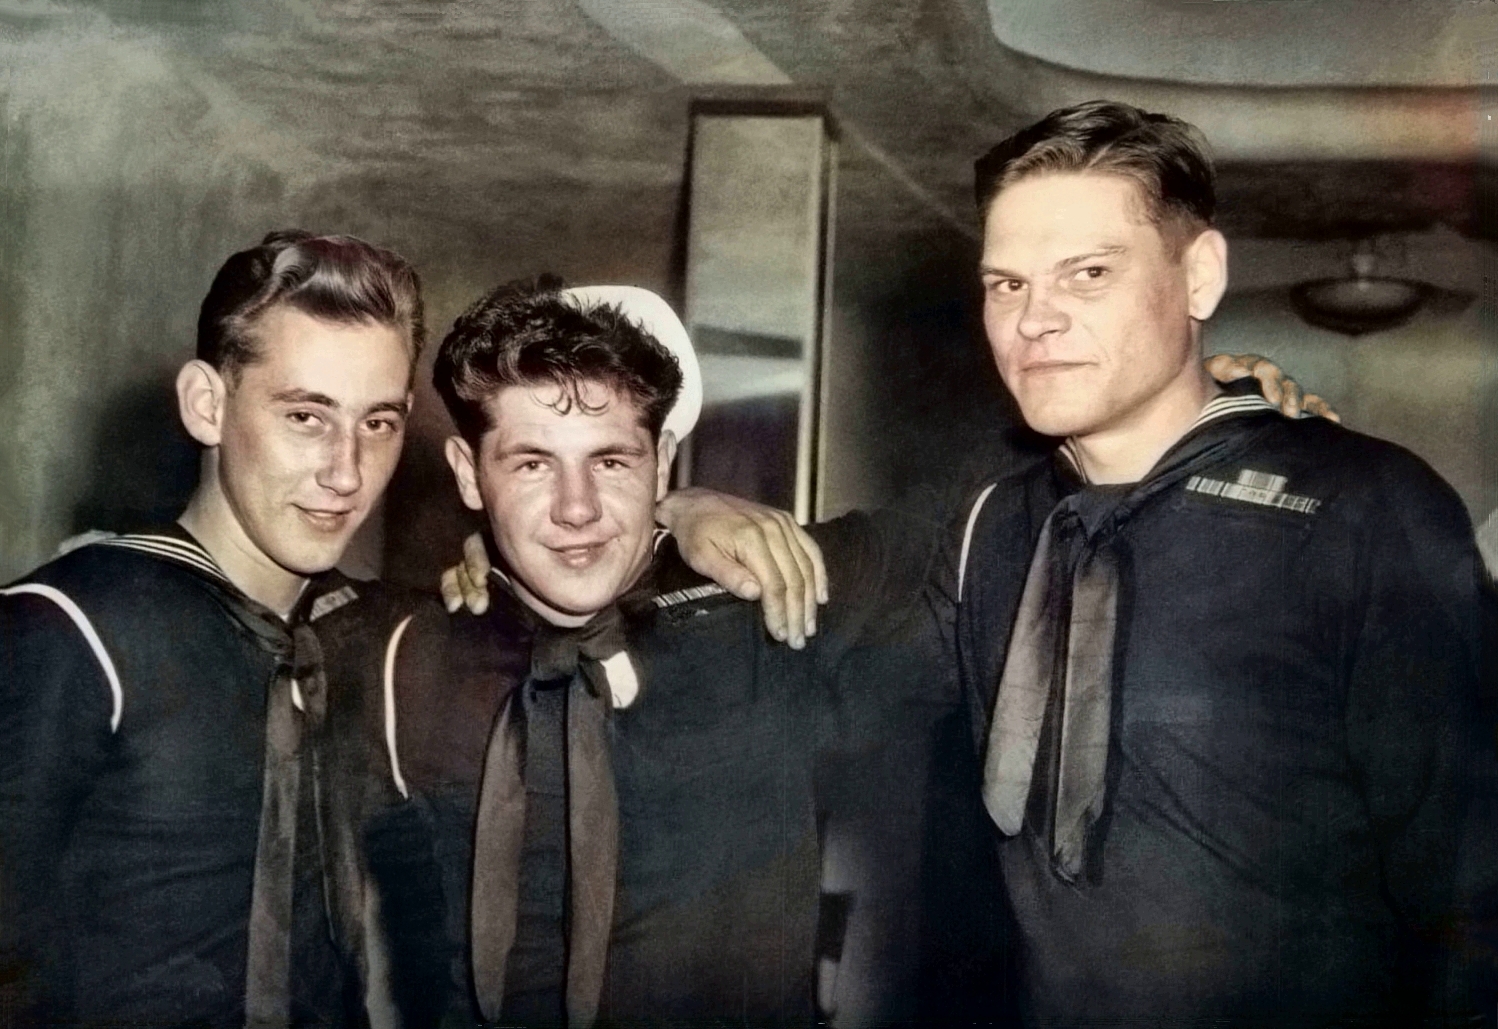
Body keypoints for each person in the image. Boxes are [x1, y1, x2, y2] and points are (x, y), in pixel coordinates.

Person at [0, 236, 816, 1029]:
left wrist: (680, 509)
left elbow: (550, 564)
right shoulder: (72, 626)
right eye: (306, 416)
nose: (346, 470)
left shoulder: (371, 637)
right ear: (207, 404)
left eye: (379, 422)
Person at [949, 100, 1485, 1025]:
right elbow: (797, 576)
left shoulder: (1365, 508)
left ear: (1198, 276)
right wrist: (689, 502)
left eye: (1088, 274)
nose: (1034, 320)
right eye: (1007, 284)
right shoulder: (988, 525)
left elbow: (1473, 891)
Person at [333, 277, 962, 1027]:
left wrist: (685, 507)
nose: (576, 509)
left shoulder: (765, 599)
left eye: (611, 462)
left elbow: (980, 529)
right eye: (532, 464)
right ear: (470, 474)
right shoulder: (404, 655)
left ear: (662, 459)